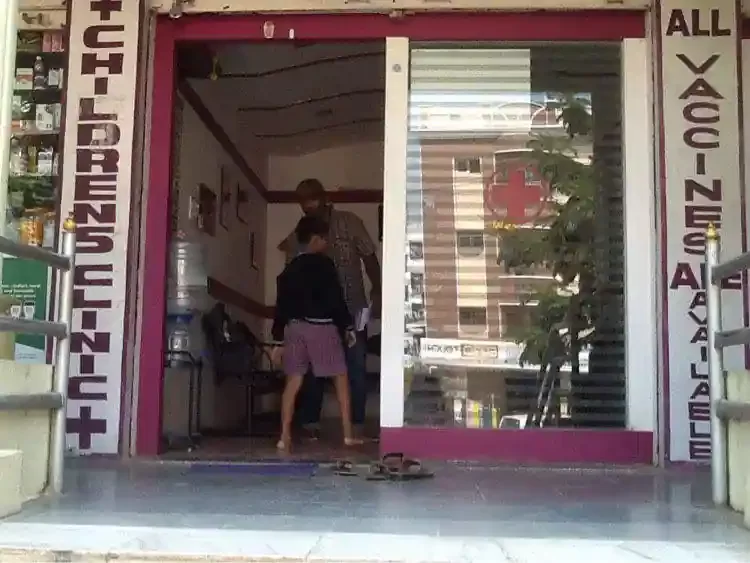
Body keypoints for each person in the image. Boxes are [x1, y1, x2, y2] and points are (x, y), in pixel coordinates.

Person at [278, 179, 381, 440]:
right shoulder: (301, 232)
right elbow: (288, 272)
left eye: (312, 201)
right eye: (304, 204)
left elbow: (369, 256)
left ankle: (355, 425)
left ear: (324, 198)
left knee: (355, 365)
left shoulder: (350, 222)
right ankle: (311, 423)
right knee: (311, 370)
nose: (308, 207)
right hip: (315, 316)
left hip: (352, 307)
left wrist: (378, 289)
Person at [271, 216, 363, 451]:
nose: (327, 243)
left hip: (294, 328)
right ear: (315, 240)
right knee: (341, 377)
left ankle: (284, 436)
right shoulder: (325, 265)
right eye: (324, 238)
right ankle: (348, 434)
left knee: (293, 380)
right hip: (321, 327)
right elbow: (335, 300)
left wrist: (278, 339)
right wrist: (347, 327)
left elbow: (281, 305)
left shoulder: (290, 268)